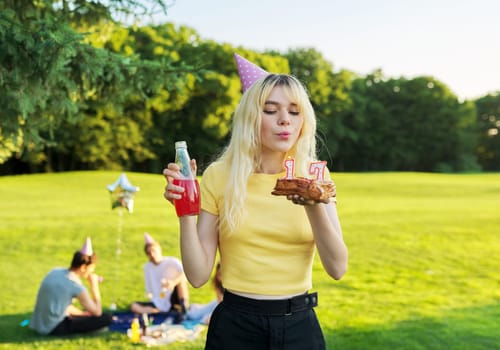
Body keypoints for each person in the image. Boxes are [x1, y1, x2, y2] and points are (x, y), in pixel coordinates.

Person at [162, 53, 348, 349]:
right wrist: (186, 212)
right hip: (236, 327)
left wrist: (312, 205)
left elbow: (337, 268)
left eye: (294, 111)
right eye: (270, 110)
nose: (285, 120)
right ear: (251, 117)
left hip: (299, 326)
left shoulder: (315, 174)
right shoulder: (220, 176)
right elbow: (197, 276)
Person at [29, 237, 112, 335]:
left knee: (85, 314)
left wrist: (82, 314)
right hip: (54, 328)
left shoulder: (55, 271)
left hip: (39, 324)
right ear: (83, 267)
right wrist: (94, 286)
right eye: (91, 269)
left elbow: (63, 306)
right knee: (106, 318)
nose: (92, 272)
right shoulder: (75, 285)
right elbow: (97, 312)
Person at [130, 233, 190, 317]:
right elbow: (149, 290)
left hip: (174, 296)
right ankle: (158, 312)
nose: (152, 254)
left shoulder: (172, 262)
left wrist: (173, 282)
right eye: (149, 253)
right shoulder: (147, 267)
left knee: (181, 282)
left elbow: (186, 274)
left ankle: (184, 309)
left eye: (153, 250)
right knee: (134, 306)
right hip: (158, 301)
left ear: (159, 249)